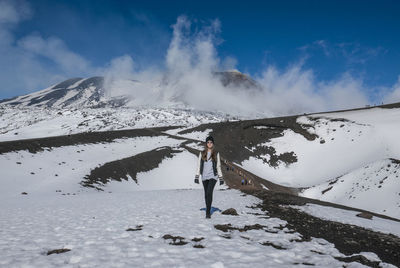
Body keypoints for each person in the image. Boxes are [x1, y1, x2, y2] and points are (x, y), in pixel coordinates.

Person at [194, 135, 224, 219]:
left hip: (213, 176)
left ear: (213, 143)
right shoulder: (202, 153)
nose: (209, 143)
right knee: (206, 195)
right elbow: (198, 165)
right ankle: (208, 208)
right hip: (204, 176)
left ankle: (208, 212)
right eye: (208, 142)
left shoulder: (216, 153)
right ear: (206, 143)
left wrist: (220, 177)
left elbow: (218, 166)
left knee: (209, 193)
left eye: (211, 142)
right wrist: (197, 176)